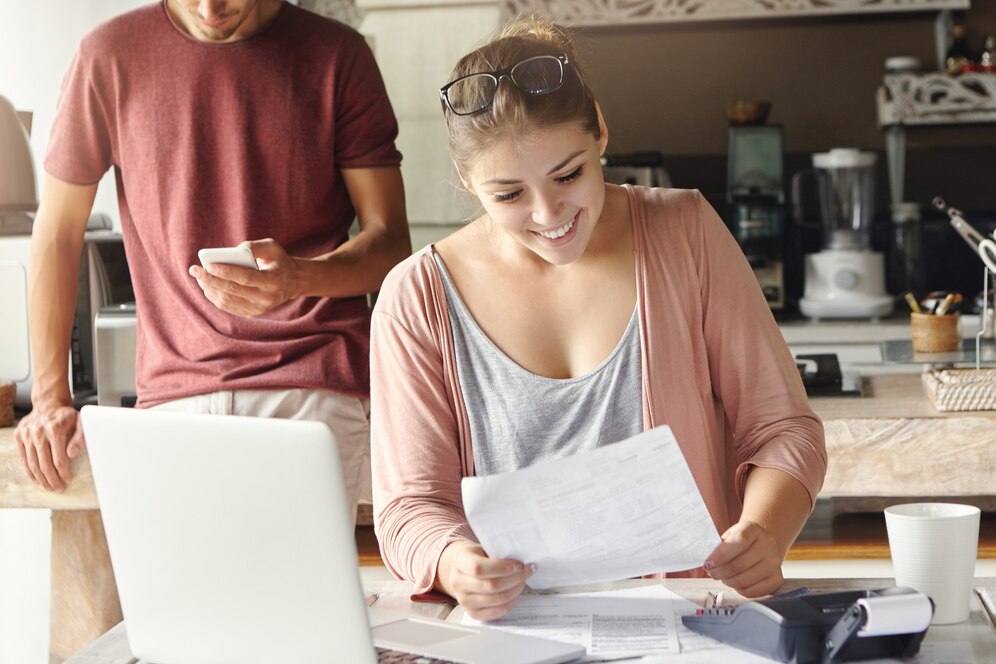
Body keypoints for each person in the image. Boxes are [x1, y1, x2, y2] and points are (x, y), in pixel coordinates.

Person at [371, 18, 826, 621]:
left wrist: (765, 531)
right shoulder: (416, 296)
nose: (548, 213)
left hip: (692, 625)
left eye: (569, 175)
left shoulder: (685, 231)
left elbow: (783, 428)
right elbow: (410, 506)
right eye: (508, 195)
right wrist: (454, 563)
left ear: (601, 133)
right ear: (466, 180)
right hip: (515, 634)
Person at [15, 0, 410, 524]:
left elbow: (391, 245)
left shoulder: (339, 56)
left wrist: (299, 279)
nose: (210, 8)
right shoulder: (106, 56)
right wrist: (49, 400)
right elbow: (59, 233)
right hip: (169, 401)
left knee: (298, 604)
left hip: (311, 389)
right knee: (173, 607)